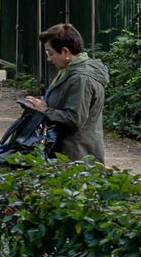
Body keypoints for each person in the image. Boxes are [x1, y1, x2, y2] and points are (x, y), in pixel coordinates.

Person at [19, 23, 106, 163]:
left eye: (51, 53)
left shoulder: (80, 78)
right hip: (72, 153)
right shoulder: (71, 71)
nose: (49, 59)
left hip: (77, 157)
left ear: (65, 51)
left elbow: (74, 119)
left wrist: (45, 110)